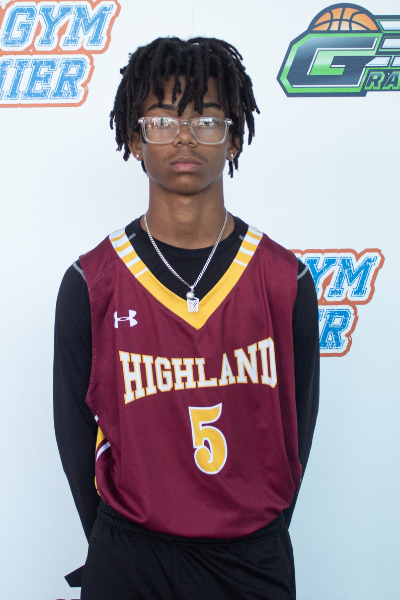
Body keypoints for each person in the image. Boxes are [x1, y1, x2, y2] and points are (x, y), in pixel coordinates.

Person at [54, 36, 319, 600]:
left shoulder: (284, 280)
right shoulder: (90, 282)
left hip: (251, 557)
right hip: (131, 555)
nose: (184, 135)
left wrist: (263, 530)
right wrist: (113, 544)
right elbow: (72, 432)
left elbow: (298, 425)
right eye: (161, 119)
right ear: (134, 138)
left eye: (206, 118)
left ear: (234, 137)